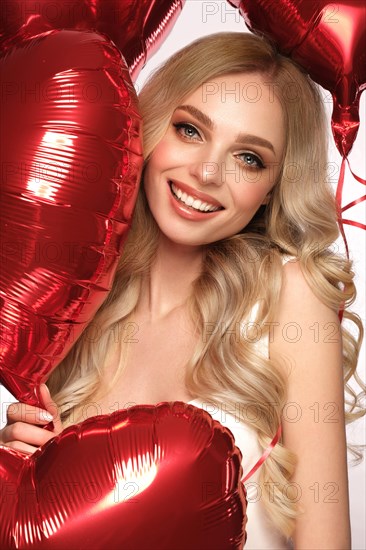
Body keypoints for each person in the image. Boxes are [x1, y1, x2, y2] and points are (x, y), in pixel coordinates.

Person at [0, 32, 364, 548]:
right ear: (148, 129)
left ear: (271, 192)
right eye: (190, 130)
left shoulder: (290, 295)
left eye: (249, 159)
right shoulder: (79, 306)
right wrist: (22, 478)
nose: (208, 173)